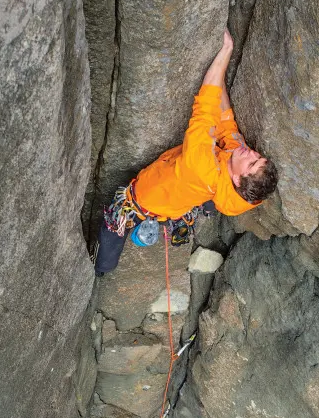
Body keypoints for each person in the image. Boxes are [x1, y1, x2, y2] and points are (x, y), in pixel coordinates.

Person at [95, 29, 277, 274]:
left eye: (251, 162)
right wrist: (219, 71)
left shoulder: (203, 167)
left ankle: (101, 267)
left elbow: (204, 110)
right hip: (184, 199)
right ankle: (199, 208)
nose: (251, 152)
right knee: (201, 198)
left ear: (236, 178)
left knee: (114, 225)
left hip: (145, 197)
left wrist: (225, 51)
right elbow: (225, 122)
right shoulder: (245, 192)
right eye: (258, 157)